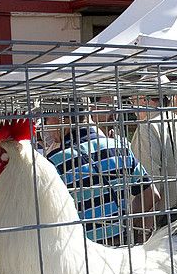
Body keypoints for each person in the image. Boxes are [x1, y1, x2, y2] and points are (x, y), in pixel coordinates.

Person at [45, 100, 160, 245]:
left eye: (46, 118)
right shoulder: (120, 148)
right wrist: (125, 222)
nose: (46, 125)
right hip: (124, 248)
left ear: (60, 118)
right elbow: (151, 194)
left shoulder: (54, 162)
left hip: (85, 252)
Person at [130, 75, 177, 218]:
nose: (133, 108)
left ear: (145, 99)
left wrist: (137, 224)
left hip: (166, 225)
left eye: (134, 101)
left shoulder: (147, 128)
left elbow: (148, 188)